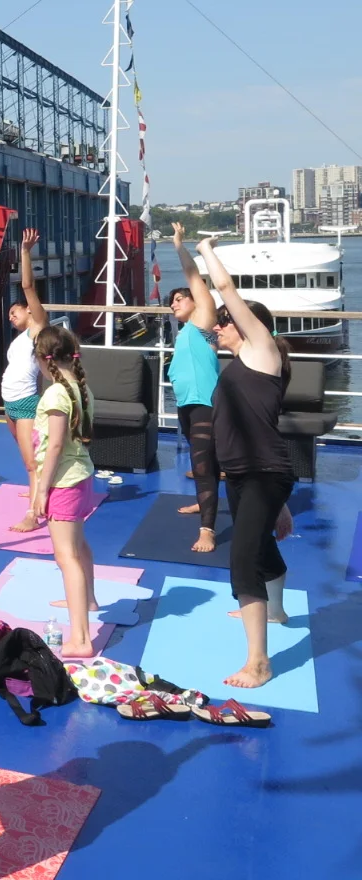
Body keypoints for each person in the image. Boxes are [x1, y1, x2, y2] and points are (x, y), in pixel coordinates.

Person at [196, 235, 297, 690]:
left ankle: (258, 663)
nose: (218, 327)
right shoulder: (239, 363)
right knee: (259, 546)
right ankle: (274, 610)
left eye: (225, 322)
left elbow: (226, 289)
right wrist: (281, 503)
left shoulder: (262, 352)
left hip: (262, 473)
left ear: (248, 325)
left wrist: (205, 250)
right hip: (245, 474)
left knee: (242, 561)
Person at [24, 325, 99, 658]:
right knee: (78, 546)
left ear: (44, 359)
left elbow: (54, 445)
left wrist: (41, 491)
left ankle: (80, 638)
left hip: (64, 482)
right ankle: (89, 599)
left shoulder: (56, 393)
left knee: (66, 557)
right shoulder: (81, 386)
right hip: (80, 476)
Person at [167, 223, 223, 553]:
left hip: (205, 403)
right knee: (204, 462)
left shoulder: (203, 323)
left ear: (195, 302)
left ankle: (208, 530)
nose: (173, 304)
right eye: (171, 302)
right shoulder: (187, 330)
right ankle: (204, 504)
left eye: (179, 299)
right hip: (186, 403)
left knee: (203, 466)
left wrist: (179, 245)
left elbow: (193, 277)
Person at [2, 229, 49, 490]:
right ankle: (36, 489)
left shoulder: (37, 328)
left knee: (32, 459)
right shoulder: (20, 339)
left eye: (14, 311)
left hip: (25, 402)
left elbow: (27, 286)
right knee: (26, 454)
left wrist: (25, 252)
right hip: (9, 403)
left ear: (29, 309)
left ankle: (36, 506)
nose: (10, 317)